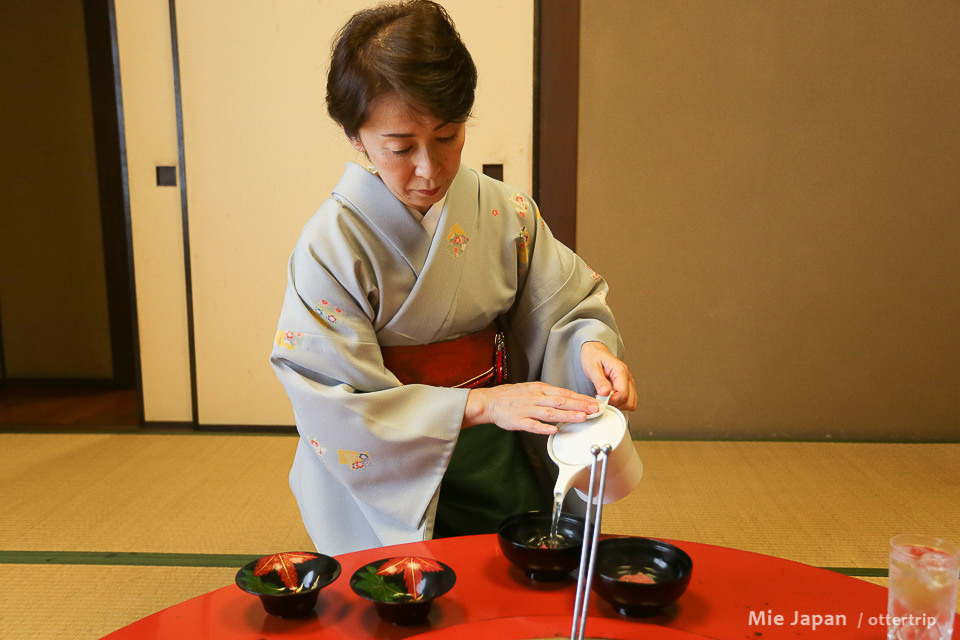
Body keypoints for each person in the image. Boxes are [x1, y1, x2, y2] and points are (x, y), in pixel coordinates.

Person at [271, 0, 637, 555]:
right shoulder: (331, 245)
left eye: (447, 137)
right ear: (355, 135)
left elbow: (565, 306)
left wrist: (587, 348)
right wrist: (482, 405)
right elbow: (330, 396)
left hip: (502, 448)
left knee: (519, 578)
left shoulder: (505, 210)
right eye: (400, 147)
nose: (429, 167)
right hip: (394, 467)